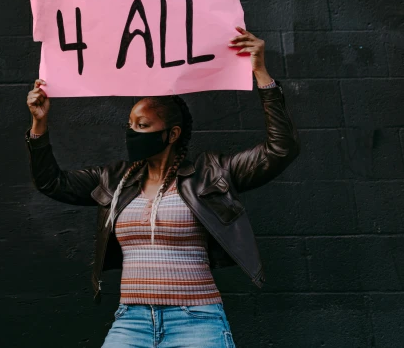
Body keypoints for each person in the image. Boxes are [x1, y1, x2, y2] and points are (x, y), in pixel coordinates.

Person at [25, 28, 299, 348]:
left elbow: (280, 150)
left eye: (142, 126)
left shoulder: (211, 173)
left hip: (196, 320)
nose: (132, 133)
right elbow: (51, 183)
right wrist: (39, 125)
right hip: (132, 321)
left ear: (172, 134)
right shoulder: (114, 179)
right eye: (130, 125)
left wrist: (261, 74)